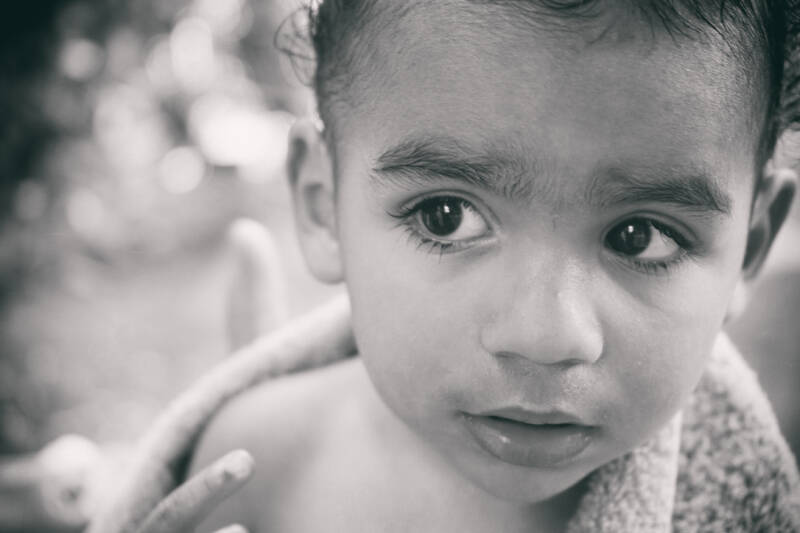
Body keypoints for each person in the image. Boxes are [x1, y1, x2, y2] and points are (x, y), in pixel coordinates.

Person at [180, 1, 800, 531]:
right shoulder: (254, 469)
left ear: (749, 247)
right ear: (323, 205)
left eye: (640, 238)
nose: (547, 337)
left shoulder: (746, 501)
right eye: (446, 217)